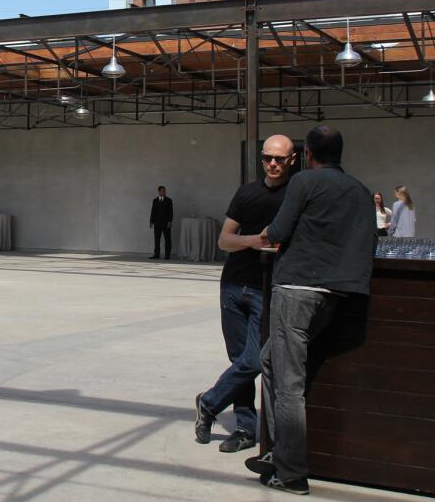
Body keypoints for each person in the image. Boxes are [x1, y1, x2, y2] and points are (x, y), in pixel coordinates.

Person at [245, 125, 376, 495]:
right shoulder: (361, 190)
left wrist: (268, 235)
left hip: (297, 289)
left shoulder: (304, 183)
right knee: (270, 360)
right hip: (335, 296)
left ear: (306, 155)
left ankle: (291, 472)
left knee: (289, 385)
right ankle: (278, 450)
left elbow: (278, 230)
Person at [194, 135, 295, 454]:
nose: (273, 164)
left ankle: (209, 402)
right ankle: (245, 428)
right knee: (240, 359)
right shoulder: (247, 193)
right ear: (261, 160)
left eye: (280, 159)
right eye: (268, 158)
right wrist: (254, 241)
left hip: (269, 287)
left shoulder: (297, 195)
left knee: (253, 360)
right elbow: (225, 240)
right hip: (234, 284)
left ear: (292, 160)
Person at [149, 186, 174, 259]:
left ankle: (167, 255)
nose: (163, 192)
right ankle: (156, 254)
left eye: (164, 191)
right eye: (162, 191)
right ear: (159, 191)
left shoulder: (169, 200)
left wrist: (170, 221)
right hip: (157, 223)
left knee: (167, 239)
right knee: (157, 239)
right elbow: (153, 211)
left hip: (166, 223)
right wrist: (151, 221)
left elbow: (171, 212)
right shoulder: (155, 200)